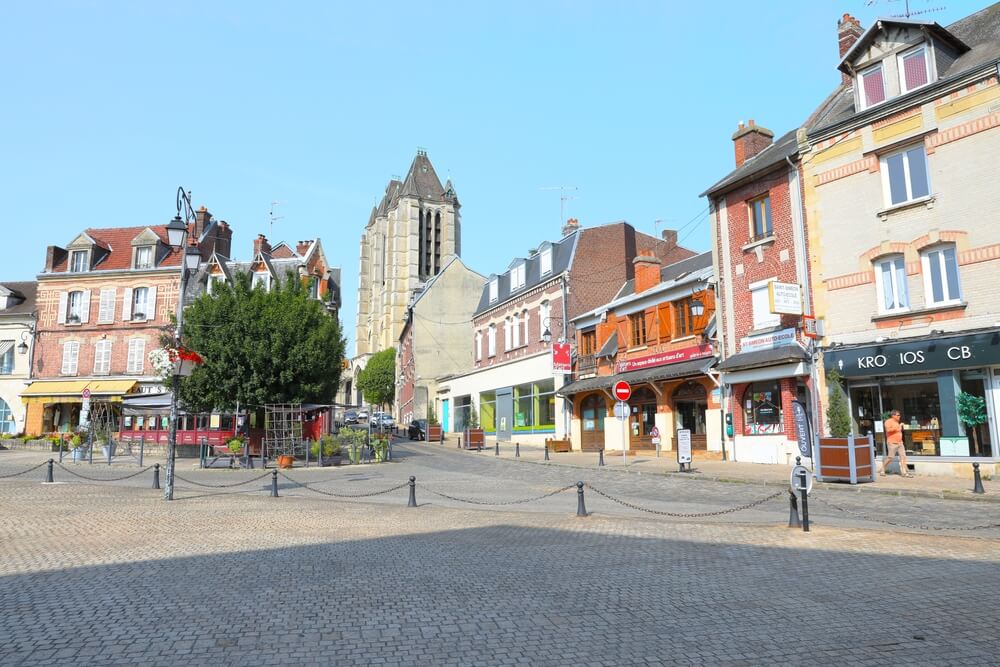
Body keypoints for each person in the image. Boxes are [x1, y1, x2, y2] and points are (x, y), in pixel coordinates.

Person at [882, 410, 913, 477]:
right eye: (898, 415)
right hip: (892, 442)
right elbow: (888, 430)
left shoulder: (896, 422)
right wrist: (898, 426)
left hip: (900, 442)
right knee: (890, 458)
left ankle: (904, 472)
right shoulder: (888, 422)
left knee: (903, 457)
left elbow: (897, 431)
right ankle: (883, 469)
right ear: (893, 416)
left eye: (899, 415)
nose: (899, 416)